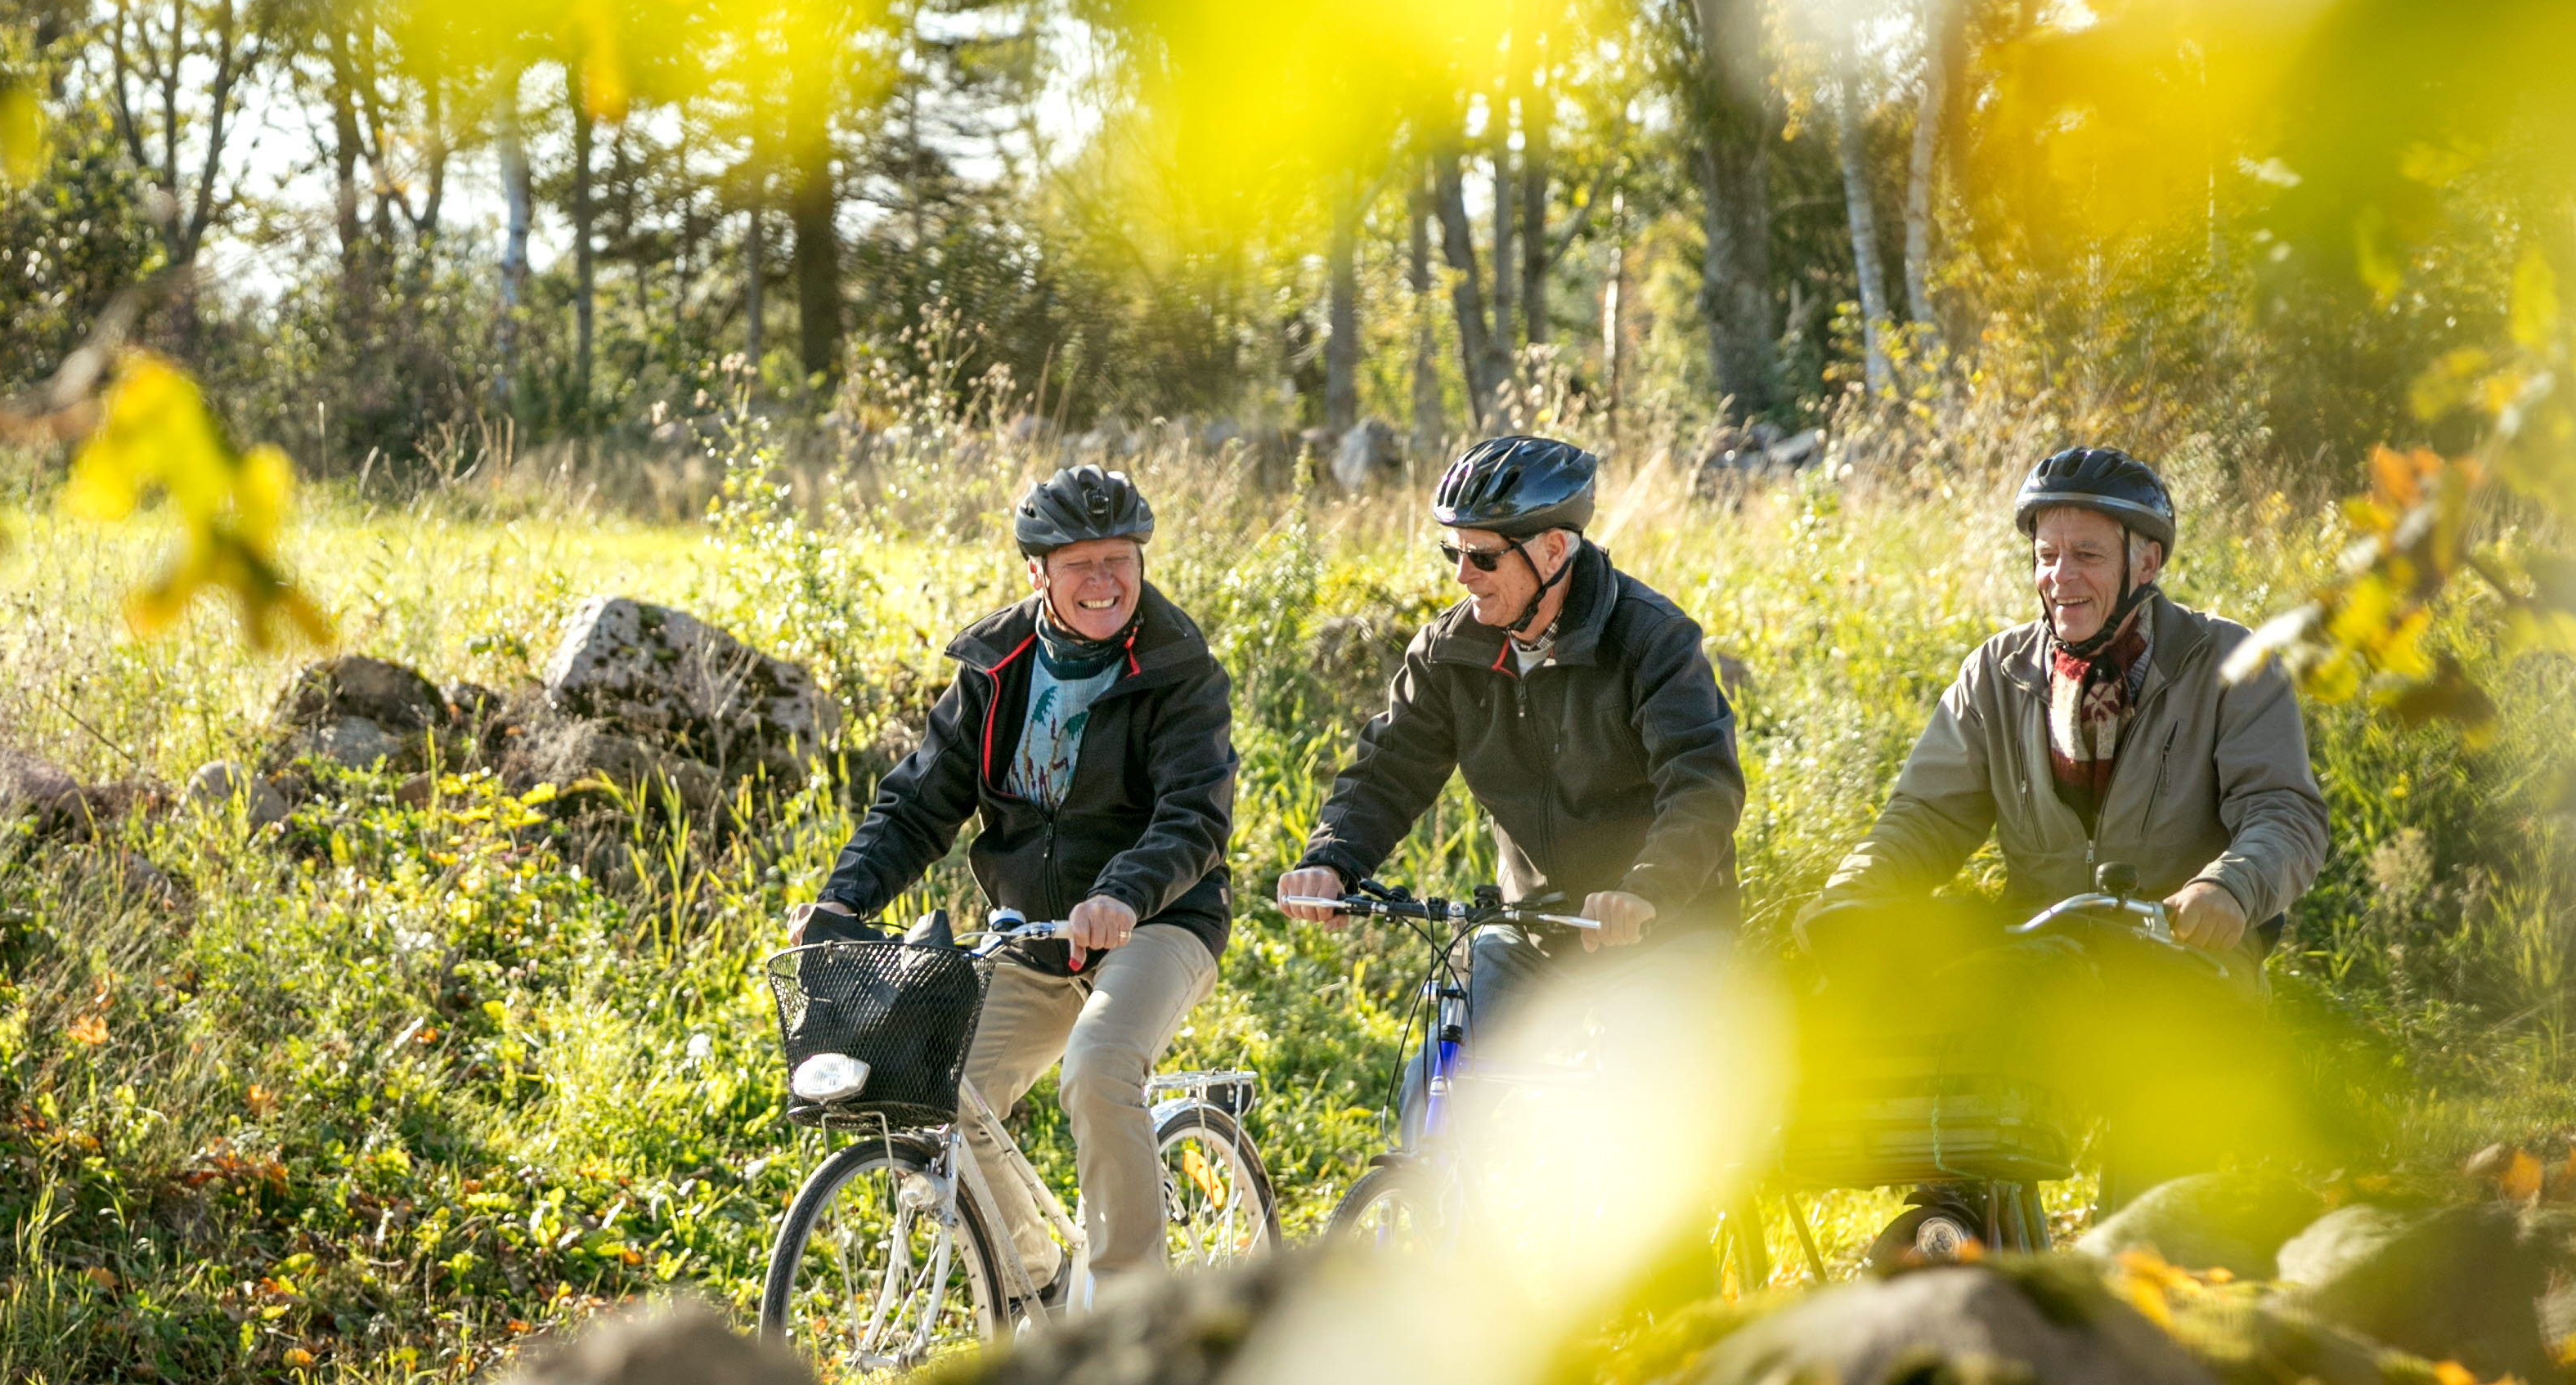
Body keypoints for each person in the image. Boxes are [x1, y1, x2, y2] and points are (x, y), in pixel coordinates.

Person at [806, 464, 1236, 1289]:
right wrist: (842, 897)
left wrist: (1122, 894)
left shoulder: (1179, 668)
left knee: (1100, 1066)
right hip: (1036, 935)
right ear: (1036, 572)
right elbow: (917, 804)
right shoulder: (995, 666)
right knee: (928, 1092)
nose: (1105, 581)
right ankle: (1032, 1271)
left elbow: (1194, 814)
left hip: (1159, 922)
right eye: (1081, 563)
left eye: (1121, 558)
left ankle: (1131, 1312)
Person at [1274, 432, 1747, 1029]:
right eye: (1455, 552)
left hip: (1662, 926)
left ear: (1553, 550)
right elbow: (1390, 769)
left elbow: (1702, 788)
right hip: (1534, 928)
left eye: (1485, 556)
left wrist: (1645, 891)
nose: (1463, 576)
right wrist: (1333, 859)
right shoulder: (1451, 651)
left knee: (1634, 1088)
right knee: (1440, 1082)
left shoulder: (1651, 642)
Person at [1806, 444, 2328, 957]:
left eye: (2087, 554)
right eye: (2047, 556)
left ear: (2146, 563)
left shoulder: (2231, 662)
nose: (2061, 577)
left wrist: (2229, 887)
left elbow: (2282, 811)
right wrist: (1853, 892)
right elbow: (1926, 818)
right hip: (2038, 956)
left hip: (2184, 954)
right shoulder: (1996, 673)